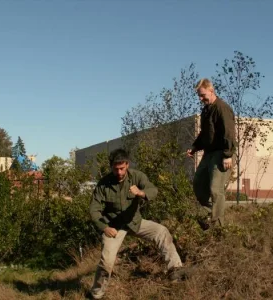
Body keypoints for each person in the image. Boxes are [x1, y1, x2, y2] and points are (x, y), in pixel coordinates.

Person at [89, 148, 185, 299]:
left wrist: (142, 193)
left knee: (162, 231)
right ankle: (96, 293)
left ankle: (176, 270)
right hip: (114, 226)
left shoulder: (137, 176)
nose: (119, 172)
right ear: (111, 167)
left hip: (135, 221)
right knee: (106, 261)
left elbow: (153, 189)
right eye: (116, 169)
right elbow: (94, 210)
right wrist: (105, 227)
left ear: (127, 164)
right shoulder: (103, 184)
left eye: (122, 168)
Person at [187, 78, 236, 228]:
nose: (201, 99)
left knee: (216, 189)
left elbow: (229, 132)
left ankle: (218, 226)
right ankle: (212, 213)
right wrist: (195, 147)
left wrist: (227, 155)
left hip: (222, 153)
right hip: (209, 153)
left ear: (211, 91)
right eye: (199, 96)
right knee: (199, 186)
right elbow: (205, 133)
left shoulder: (222, 108)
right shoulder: (206, 111)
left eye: (203, 95)